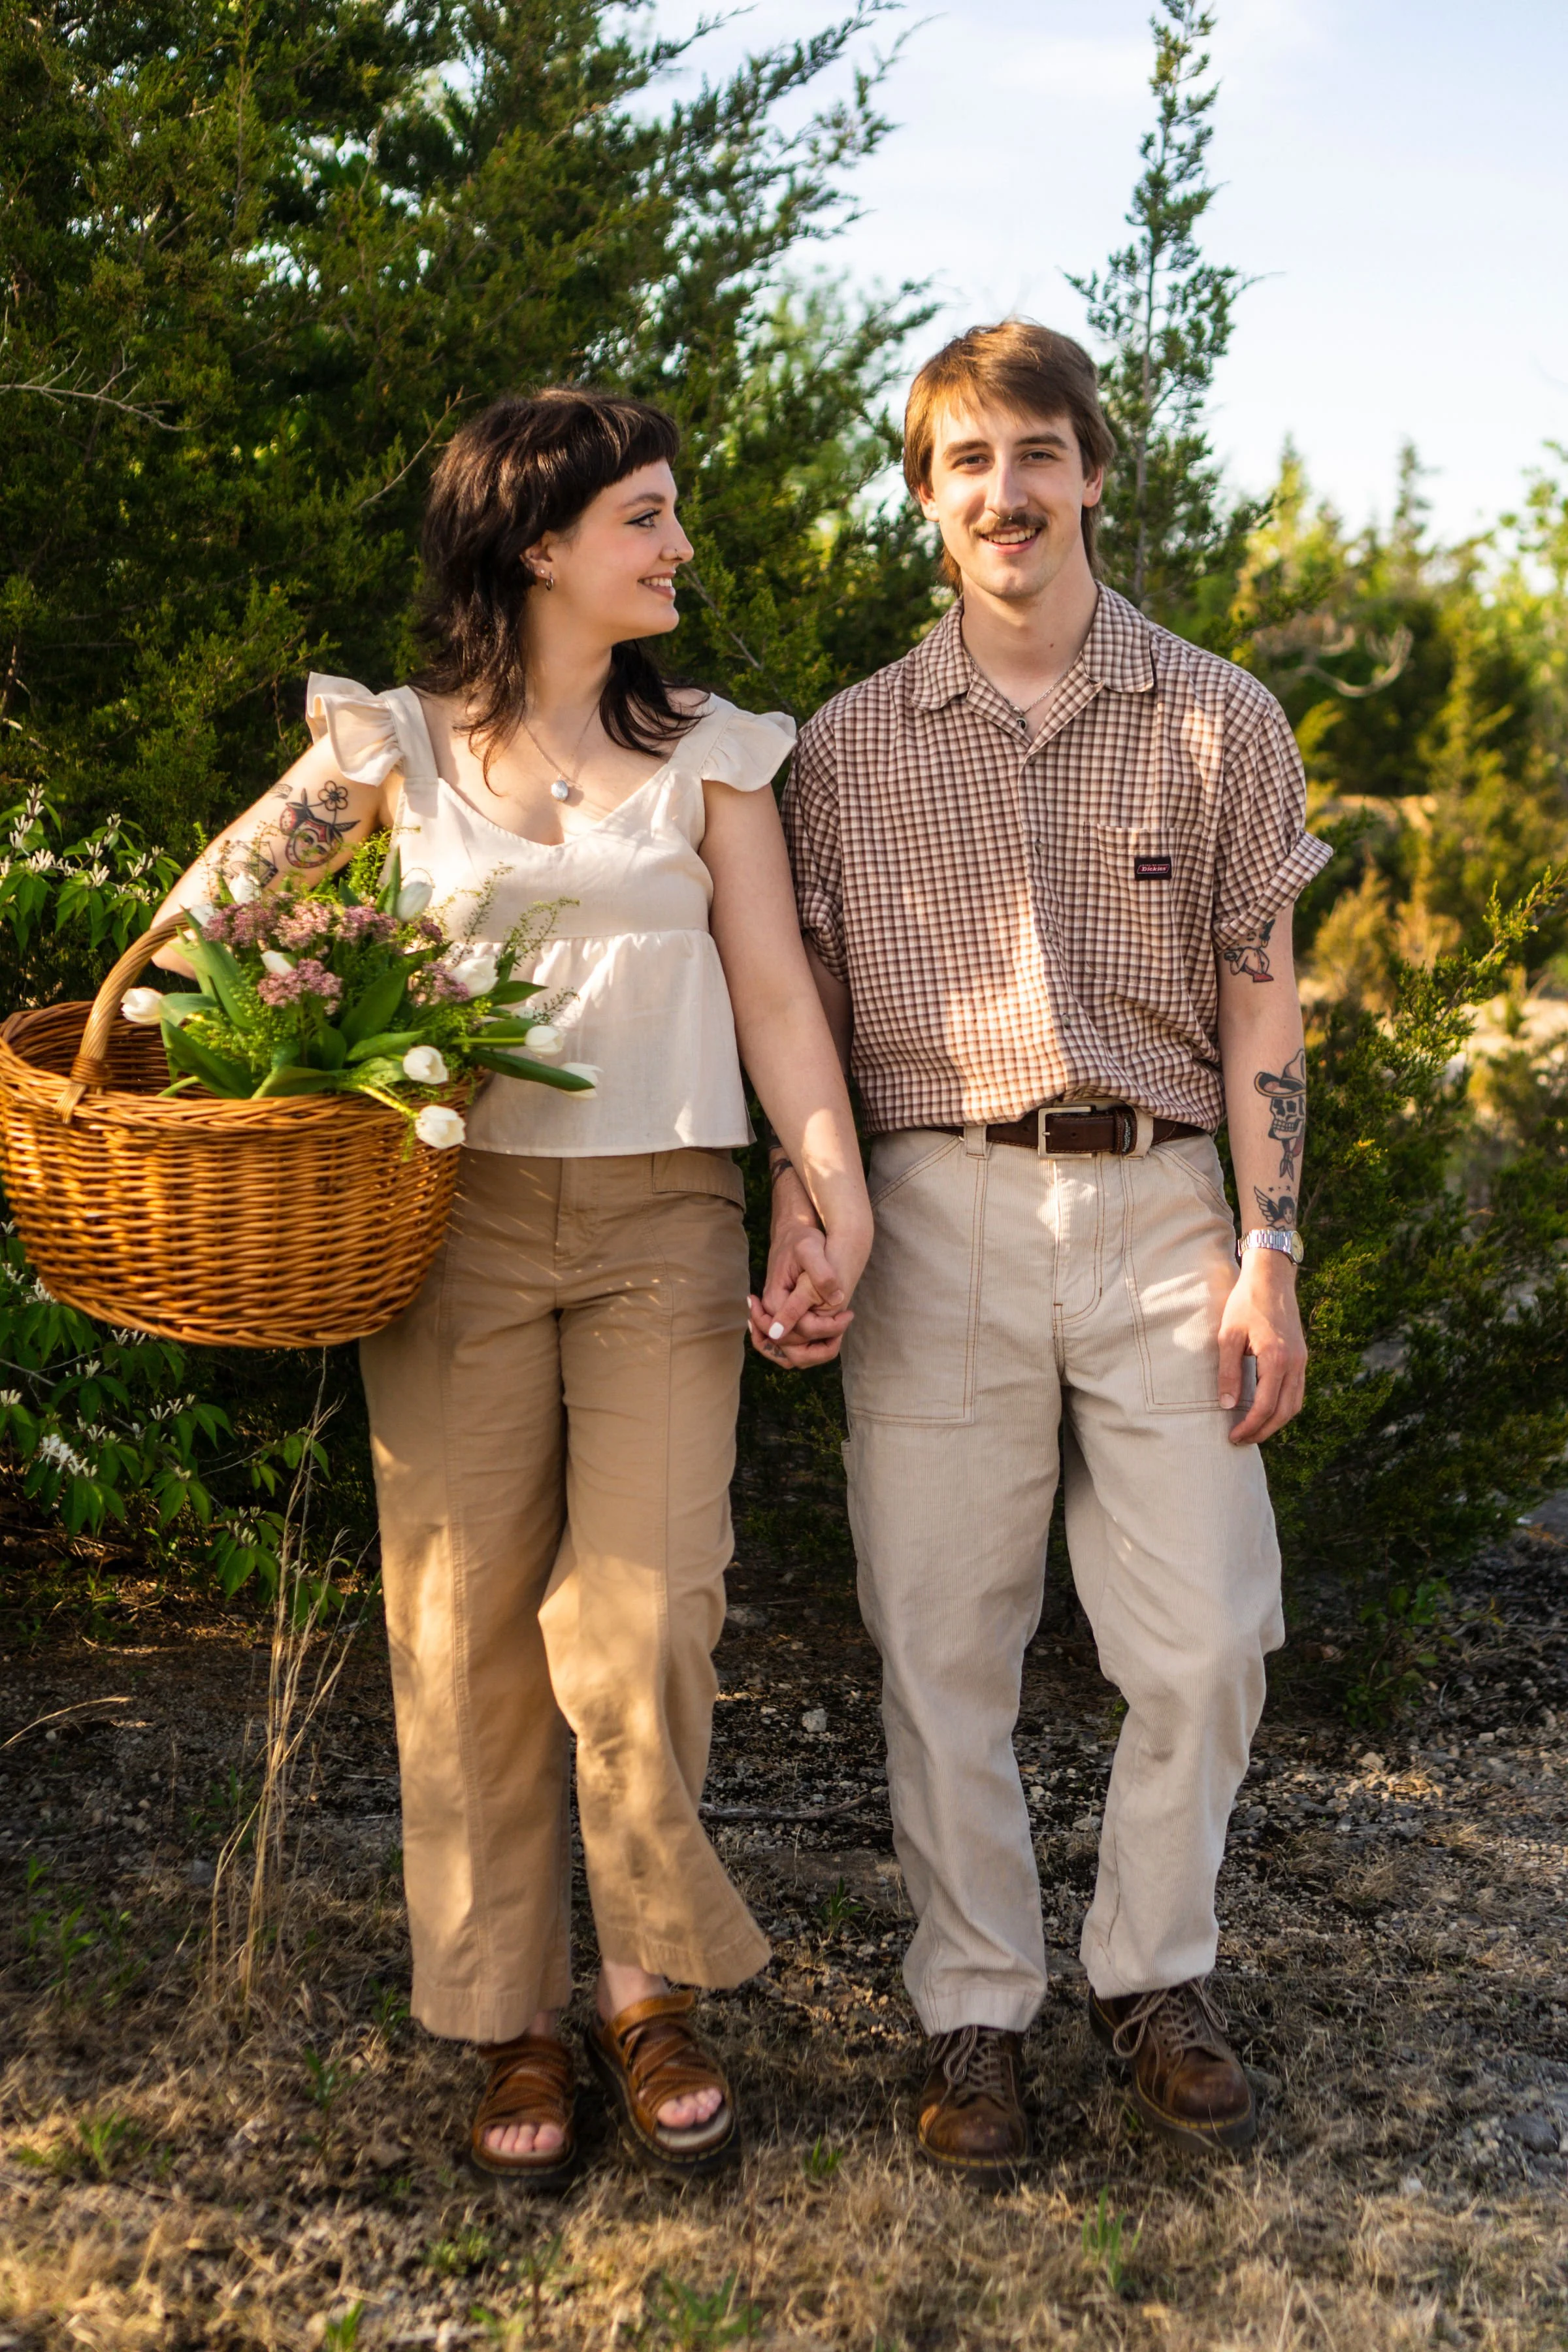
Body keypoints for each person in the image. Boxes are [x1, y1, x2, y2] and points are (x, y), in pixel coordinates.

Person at [152, 387, 872, 2187]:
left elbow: (777, 990)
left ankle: (646, 1988)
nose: (679, 545)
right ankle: (515, 2021)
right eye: (645, 515)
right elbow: (204, 927)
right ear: (537, 542)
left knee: (648, 1615)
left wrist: (826, 1179)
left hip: (660, 1227)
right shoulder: (385, 748)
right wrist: (280, 1028)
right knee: (460, 1625)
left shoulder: (716, 751)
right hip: (443, 1228)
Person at [755, 320, 1329, 2180]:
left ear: (1092, 470)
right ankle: (977, 2008)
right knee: (941, 1641)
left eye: (1034, 454)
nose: (1004, 494)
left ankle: (1150, 1971)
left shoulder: (1219, 718)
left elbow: (1264, 1004)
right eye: (963, 464)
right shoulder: (844, 750)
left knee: (1215, 1632)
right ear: (926, 501)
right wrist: (812, 1231)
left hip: (1165, 1205)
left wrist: (1271, 1249)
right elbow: (807, 1027)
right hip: (930, 1210)